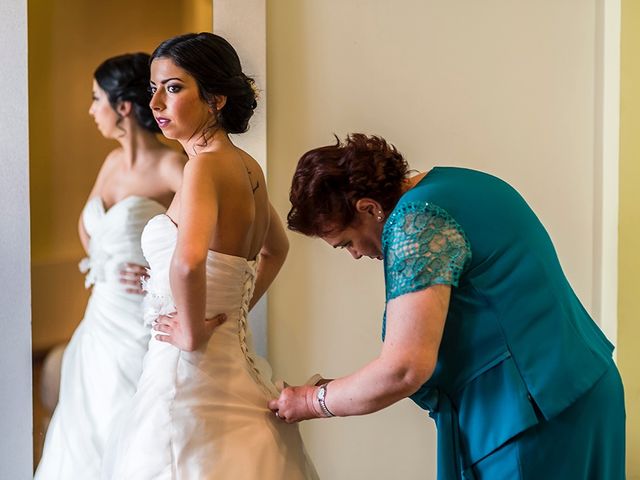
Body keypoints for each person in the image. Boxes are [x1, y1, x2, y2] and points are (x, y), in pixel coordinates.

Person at [269, 133, 626, 480]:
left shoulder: (417, 222)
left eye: (346, 242)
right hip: (581, 388)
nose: (356, 254)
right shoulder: (460, 184)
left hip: (535, 419)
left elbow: (404, 369)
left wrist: (311, 402)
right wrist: (343, 389)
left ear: (369, 208)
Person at [102, 33, 318, 479]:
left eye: (175, 87)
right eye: (154, 89)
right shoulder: (244, 165)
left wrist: (191, 330)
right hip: (233, 361)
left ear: (216, 98)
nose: (157, 102)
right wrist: (231, 310)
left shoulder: (202, 166)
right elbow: (276, 248)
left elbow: (188, 259)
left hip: (189, 370)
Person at [35, 53, 185, 479]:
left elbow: (207, 241)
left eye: (95, 98)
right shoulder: (112, 163)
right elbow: (93, 237)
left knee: (132, 425)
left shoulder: (172, 166)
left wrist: (160, 275)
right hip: (100, 320)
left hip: (141, 321)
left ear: (121, 107)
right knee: (86, 426)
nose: (90, 110)